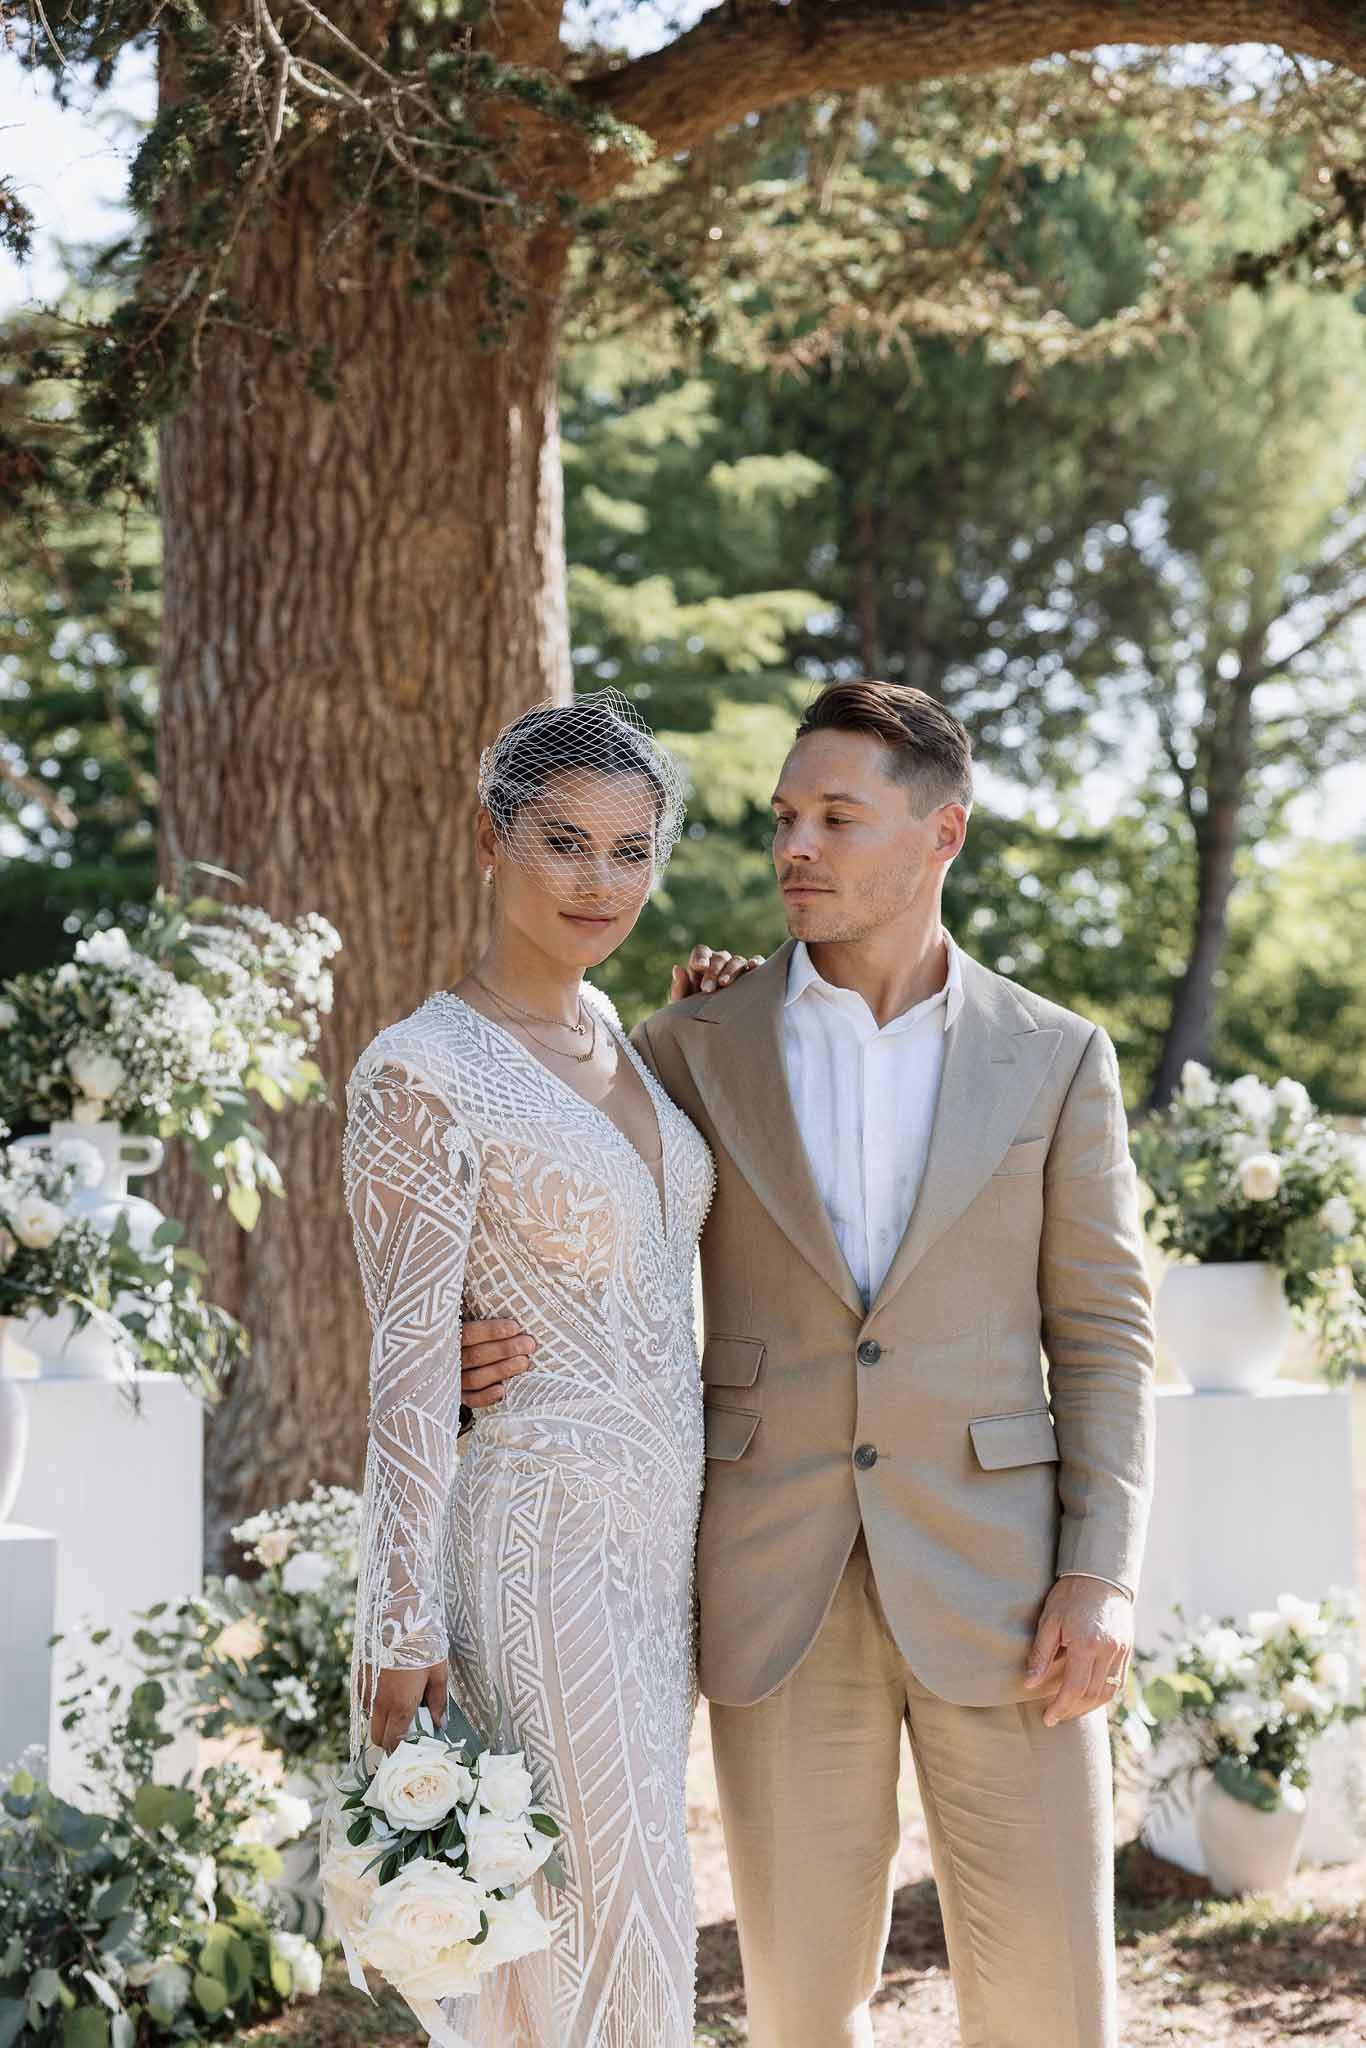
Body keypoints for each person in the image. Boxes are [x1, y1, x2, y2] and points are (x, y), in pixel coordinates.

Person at [462, 679, 1157, 2048]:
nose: (795, 846)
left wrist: (1104, 1568)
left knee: (1050, 2003)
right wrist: (462, 1343)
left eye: (837, 817)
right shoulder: (681, 1047)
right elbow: (574, 1241)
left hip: (1010, 1589)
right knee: (793, 2006)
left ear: (939, 834)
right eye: (785, 816)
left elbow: (1103, 1331)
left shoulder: (1057, 1057)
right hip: (774, 1578)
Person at [339, 692, 716, 2047]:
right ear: (488, 839)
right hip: (533, 1538)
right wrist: (399, 1628)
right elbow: (401, 1372)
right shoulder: (420, 1072)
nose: (598, 882)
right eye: (564, 841)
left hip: (656, 1552)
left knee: (623, 1891)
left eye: (630, 850)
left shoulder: (633, 1044)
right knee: (599, 1900)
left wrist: (701, 1027)